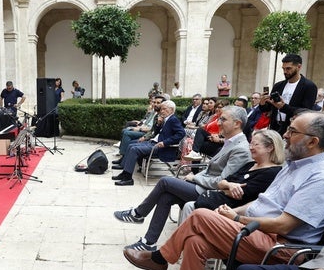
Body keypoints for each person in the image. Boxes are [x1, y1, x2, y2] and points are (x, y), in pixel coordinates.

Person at [122, 111, 324, 270]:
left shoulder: (319, 177)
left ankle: (159, 258)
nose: (285, 134)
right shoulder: (293, 164)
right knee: (195, 242)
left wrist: (238, 218)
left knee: (199, 215)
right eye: (288, 128)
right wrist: (230, 213)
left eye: (292, 131)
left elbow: (284, 224)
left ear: (312, 142)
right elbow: (262, 203)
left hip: (280, 246)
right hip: (256, 232)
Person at [114, 106, 251, 251]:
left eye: (223, 119)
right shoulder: (230, 142)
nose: (217, 122)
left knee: (165, 181)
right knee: (165, 196)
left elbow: (222, 182)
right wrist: (194, 177)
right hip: (202, 186)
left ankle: (138, 214)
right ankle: (148, 243)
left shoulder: (240, 149)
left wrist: (194, 178)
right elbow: (211, 171)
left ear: (237, 123)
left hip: (211, 194)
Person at [178, 129, 284, 223]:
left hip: (232, 213)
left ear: (270, 148)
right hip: (217, 203)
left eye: (255, 144)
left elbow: (242, 195)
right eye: (250, 144)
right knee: (188, 205)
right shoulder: (250, 164)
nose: (250, 148)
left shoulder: (272, 172)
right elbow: (221, 182)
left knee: (173, 190)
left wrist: (226, 186)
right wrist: (229, 185)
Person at [112, 100, 185, 186]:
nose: (162, 111)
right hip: (153, 142)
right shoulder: (166, 119)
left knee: (134, 149)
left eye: (164, 109)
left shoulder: (173, 120)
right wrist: (158, 124)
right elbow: (157, 133)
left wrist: (165, 143)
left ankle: (128, 178)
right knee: (131, 145)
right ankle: (125, 173)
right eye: (161, 109)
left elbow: (181, 133)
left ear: (172, 110)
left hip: (161, 147)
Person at [259, 54, 318, 135]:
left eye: (288, 68)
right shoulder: (278, 85)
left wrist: (283, 107)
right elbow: (268, 108)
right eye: (283, 68)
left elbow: (305, 112)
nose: (285, 71)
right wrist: (262, 103)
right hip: (275, 127)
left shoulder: (309, 86)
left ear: (299, 67)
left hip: (294, 130)